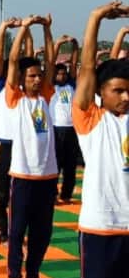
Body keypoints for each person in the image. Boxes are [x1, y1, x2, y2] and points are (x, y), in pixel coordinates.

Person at [73, 0, 129, 278]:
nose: (125, 98)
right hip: (97, 229)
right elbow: (89, 68)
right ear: (102, 94)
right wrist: (95, 19)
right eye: (118, 91)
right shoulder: (90, 120)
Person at [5, 14, 58, 278]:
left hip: (47, 175)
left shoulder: (47, 96)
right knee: (17, 230)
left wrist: (47, 29)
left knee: (43, 231)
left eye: (39, 76)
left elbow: (51, 60)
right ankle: (14, 273)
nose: (37, 79)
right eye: (32, 76)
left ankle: (33, 272)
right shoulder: (16, 98)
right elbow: (13, 61)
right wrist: (24, 27)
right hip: (24, 174)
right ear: (23, 80)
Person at [0, 17, 22, 244]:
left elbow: (23, 55)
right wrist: (3, 30)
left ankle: (19, 232)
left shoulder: (27, 89)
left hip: (24, 146)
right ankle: (3, 233)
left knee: (21, 195)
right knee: (1, 194)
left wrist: (27, 30)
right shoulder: (0, 86)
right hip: (5, 144)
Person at [51, 36, 81, 204]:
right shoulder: (50, 85)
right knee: (56, 163)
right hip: (56, 128)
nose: (62, 76)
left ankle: (66, 194)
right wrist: (58, 45)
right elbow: (50, 63)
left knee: (70, 165)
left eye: (63, 73)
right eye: (59, 73)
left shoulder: (71, 84)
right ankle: (53, 193)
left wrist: (75, 46)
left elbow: (74, 64)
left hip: (71, 128)